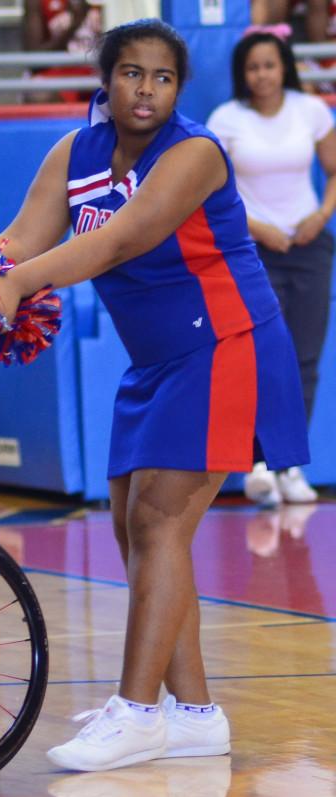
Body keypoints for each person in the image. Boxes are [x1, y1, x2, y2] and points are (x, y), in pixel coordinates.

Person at [0, 18, 309, 772]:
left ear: (178, 88)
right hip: (158, 361)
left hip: (226, 344)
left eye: (162, 77)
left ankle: (136, 712)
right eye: (131, 73)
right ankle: (194, 715)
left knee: (160, 519)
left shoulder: (195, 153)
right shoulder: (76, 152)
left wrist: (24, 282)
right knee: (139, 526)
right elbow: (20, 240)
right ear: (106, 78)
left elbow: (121, 238)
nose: (146, 89)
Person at [207, 29, 336, 507]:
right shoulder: (225, 119)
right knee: (260, 360)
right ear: (242, 72)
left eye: (270, 65)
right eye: (253, 67)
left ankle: (290, 468)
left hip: (308, 247)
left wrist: (321, 217)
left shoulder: (312, 111)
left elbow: (334, 171)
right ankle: (258, 461)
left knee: (305, 361)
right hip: (253, 250)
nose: (262, 75)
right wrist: (260, 230)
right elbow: (212, 191)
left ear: (285, 67)